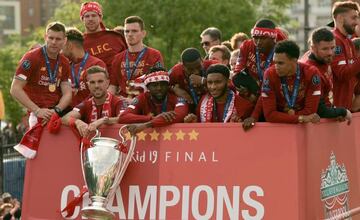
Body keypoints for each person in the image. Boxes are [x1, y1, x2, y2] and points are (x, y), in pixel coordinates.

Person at [10, 21, 71, 128]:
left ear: (64, 40)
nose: (53, 42)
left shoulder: (64, 62)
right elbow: (15, 89)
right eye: (51, 38)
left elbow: (67, 93)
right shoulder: (31, 57)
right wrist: (37, 110)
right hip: (36, 114)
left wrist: (57, 110)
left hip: (56, 113)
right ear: (45, 37)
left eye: (58, 39)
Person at [261, 40, 321, 123]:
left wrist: (287, 116)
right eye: (275, 62)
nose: (276, 67)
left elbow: (311, 111)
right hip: (279, 128)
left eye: (280, 63)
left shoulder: (311, 73)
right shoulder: (270, 74)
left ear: (294, 61)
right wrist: (300, 118)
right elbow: (269, 115)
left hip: (302, 129)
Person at [301, 27, 352, 123]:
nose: (330, 53)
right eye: (324, 49)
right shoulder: (310, 70)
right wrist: (342, 112)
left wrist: (334, 111)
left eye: (332, 48)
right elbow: (319, 110)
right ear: (312, 49)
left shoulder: (322, 62)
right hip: (310, 127)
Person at [118, 68, 189, 135]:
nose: (159, 88)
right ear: (148, 87)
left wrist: (146, 125)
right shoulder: (142, 98)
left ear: (167, 86)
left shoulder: (177, 98)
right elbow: (123, 117)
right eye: (155, 85)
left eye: (163, 84)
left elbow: (180, 115)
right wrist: (152, 118)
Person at [108, 15, 164, 98]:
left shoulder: (154, 55)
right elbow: (113, 86)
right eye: (127, 31)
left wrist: (137, 101)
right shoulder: (117, 58)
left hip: (146, 102)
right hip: (123, 102)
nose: (130, 34)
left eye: (134, 31)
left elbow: (159, 85)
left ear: (143, 33)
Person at [62, 66, 126, 137]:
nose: (96, 86)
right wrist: (77, 122)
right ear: (88, 85)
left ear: (107, 83)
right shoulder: (86, 104)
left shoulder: (118, 102)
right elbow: (64, 118)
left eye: (100, 81)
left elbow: (124, 118)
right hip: (92, 145)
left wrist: (103, 121)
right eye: (92, 82)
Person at [184, 64, 253, 123]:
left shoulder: (244, 106)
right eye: (210, 82)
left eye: (218, 82)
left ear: (228, 82)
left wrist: (238, 128)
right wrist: (194, 123)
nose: (213, 87)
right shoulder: (203, 102)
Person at [62, 27, 106, 108]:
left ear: (69, 45)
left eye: (62, 46)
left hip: (90, 113)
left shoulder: (96, 64)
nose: (60, 50)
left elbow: (99, 95)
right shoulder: (65, 67)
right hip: (69, 112)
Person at [80, 1, 127, 74]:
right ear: (82, 19)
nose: (90, 19)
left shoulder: (115, 36)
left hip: (119, 82)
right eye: (87, 16)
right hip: (94, 83)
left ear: (100, 17)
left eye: (94, 15)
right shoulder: (79, 43)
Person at [331, 1, 360, 109]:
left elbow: (352, 75)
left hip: (344, 110)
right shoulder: (334, 40)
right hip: (334, 112)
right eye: (353, 18)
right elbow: (343, 74)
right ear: (340, 18)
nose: (357, 22)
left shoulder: (348, 41)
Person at [169, 48, 217, 112]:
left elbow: (229, 83)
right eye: (190, 69)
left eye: (198, 67)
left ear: (202, 60)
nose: (196, 72)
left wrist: (204, 81)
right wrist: (174, 89)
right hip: (189, 109)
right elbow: (161, 85)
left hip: (213, 104)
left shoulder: (213, 65)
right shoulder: (176, 71)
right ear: (182, 66)